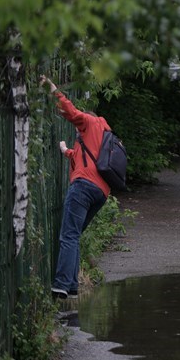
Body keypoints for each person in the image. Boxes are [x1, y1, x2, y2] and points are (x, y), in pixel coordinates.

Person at [41, 75, 111, 299]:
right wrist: (65, 151)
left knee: (68, 235)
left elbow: (71, 112)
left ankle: (61, 284)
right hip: (101, 192)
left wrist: (54, 90)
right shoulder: (103, 132)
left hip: (83, 187)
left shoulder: (89, 123)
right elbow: (84, 158)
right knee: (74, 234)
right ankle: (71, 285)